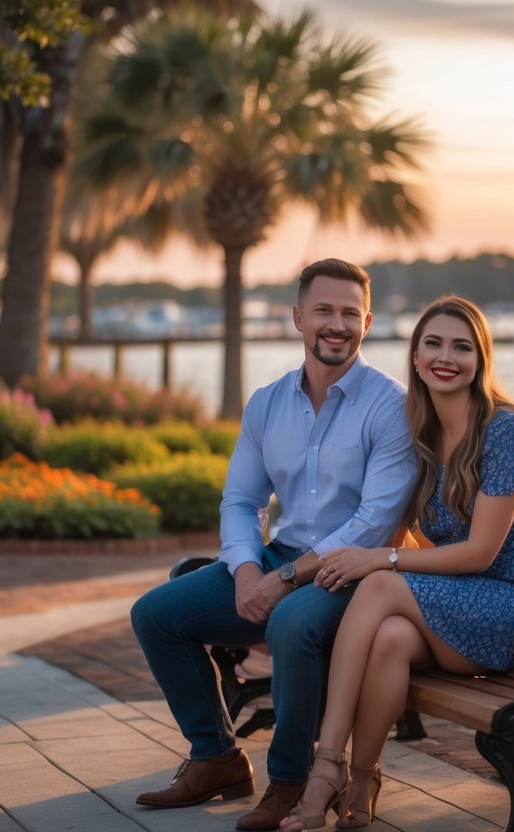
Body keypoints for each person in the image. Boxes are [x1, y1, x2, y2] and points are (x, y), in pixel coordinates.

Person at [130, 258, 418, 831]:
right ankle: (216, 758)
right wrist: (243, 570)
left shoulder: (391, 406)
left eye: (348, 313)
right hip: (279, 560)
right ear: (296, 317)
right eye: (323, 311)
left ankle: (290, 781)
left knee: (289, 622)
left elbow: (373, 520)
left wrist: (284, 580)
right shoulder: (267, 403)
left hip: (356, 578)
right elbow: (241, 500)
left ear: (368, 320)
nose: (336, 325)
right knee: (156, 615)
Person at [278, 295, 514, 831]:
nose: (446, 357)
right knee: (387, 637)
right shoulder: (421, 432)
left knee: (382, 585)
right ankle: (362, 777)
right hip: (466, 605)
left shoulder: (505, 430)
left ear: (481, 359)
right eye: (432, 343)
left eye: (462, 347)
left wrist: (379, 560)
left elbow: (482, 553)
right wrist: (368, 556)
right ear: (414, 356)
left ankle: (324, 769)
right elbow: (394, 527)